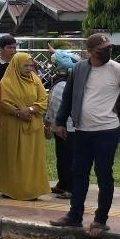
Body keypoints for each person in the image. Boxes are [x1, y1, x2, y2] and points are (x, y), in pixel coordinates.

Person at [50, 33, 120, 237]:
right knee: (78, 173)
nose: (107, 53)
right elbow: (69, 96)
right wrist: (60, 122)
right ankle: (74, 216)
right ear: (90, 52)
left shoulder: (118, 69)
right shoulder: (79, 69)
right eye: (101, 50)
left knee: (104, 175)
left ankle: (100, 220)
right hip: (82, 131)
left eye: (109, 49)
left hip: (107, 131)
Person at [0, 52, 49, 201]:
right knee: (12, 157)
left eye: (31, 65)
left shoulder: (36, 81)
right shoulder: (6, 82)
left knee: (30, 158)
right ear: (16, 66)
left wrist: (29, 109)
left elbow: (44, 100)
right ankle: (9, 188)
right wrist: (16, 112)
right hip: (11, 126)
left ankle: (31, 188)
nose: (29, 69)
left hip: (32, 126)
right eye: (25, 65)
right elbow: (0, 102)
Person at [44, 71, 74, 200]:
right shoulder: (75, 84)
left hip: (65, 126)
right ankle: (62, 184)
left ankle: (70, 188)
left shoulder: (60, 85)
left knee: (66, 158)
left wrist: (48, 123)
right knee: (64, 157)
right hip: (73, 126)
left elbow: (54, 107)